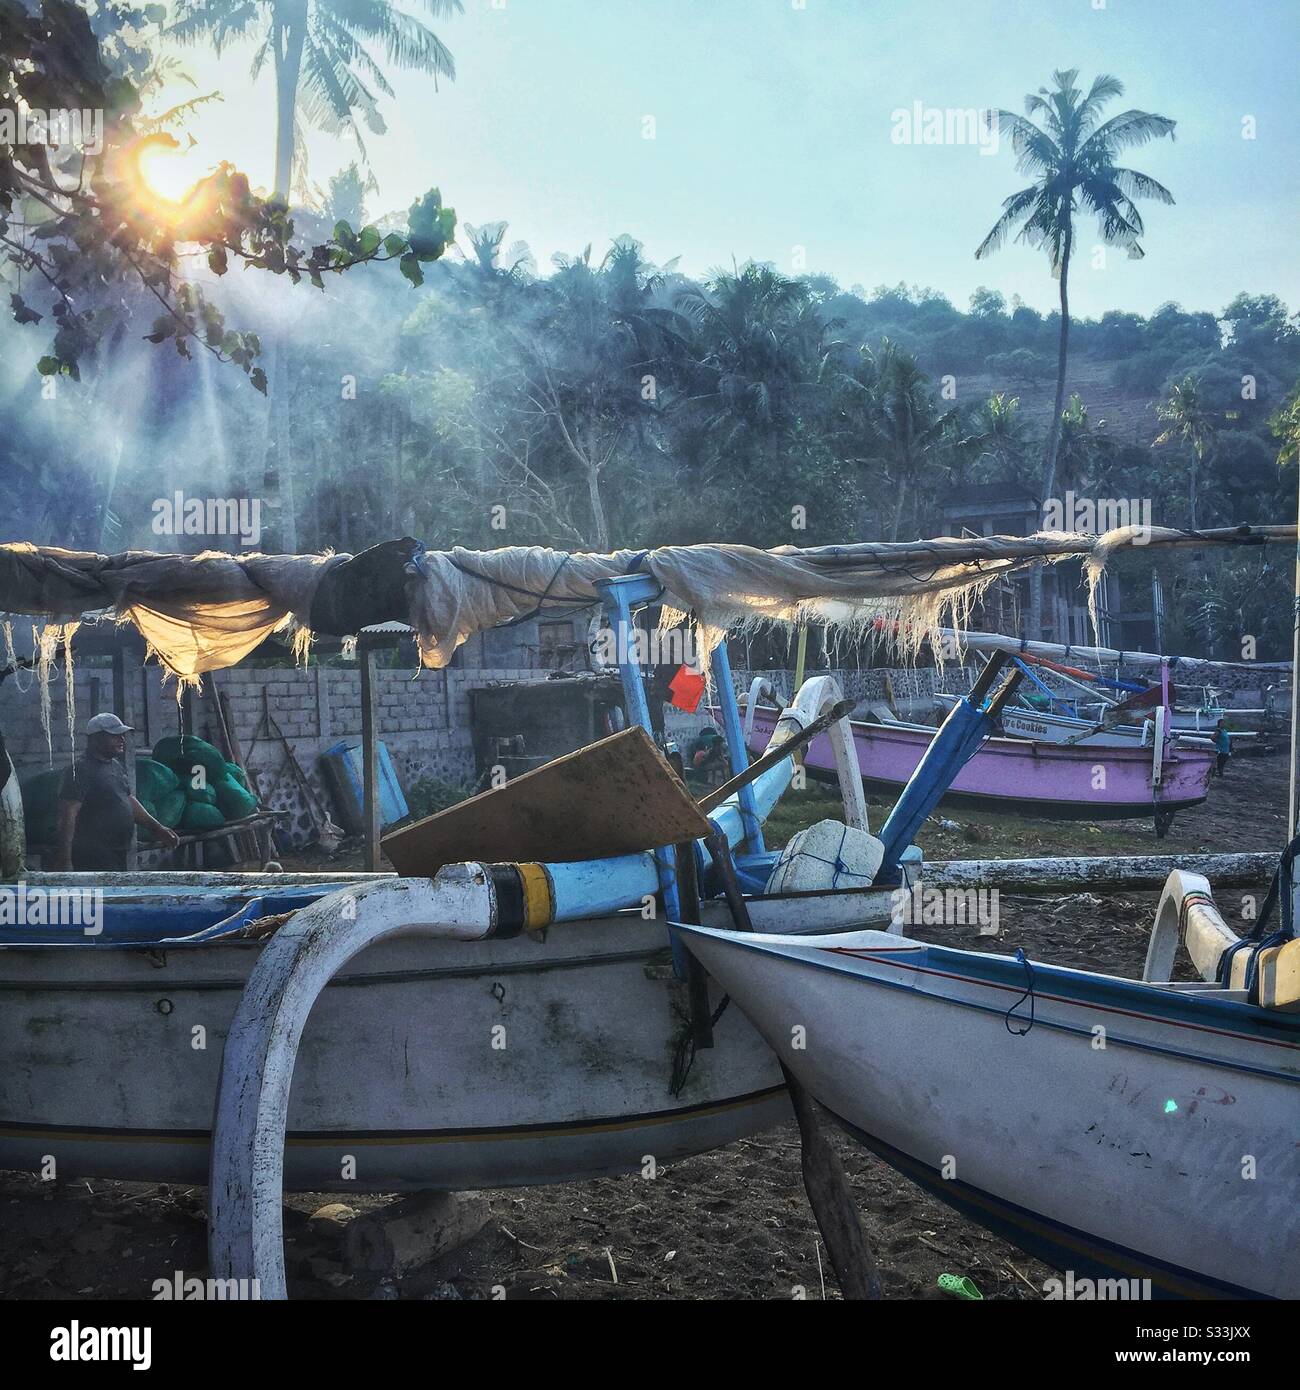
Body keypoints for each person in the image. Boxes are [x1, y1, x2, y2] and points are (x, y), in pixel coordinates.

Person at [55, 713, 180, 871]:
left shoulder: (115, 765)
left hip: (118, 852)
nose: (122, 740)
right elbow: (68, 815)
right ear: (96, 739)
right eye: (114, 736)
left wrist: (157, 828)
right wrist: (64, 859)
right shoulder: (79, 770)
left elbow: (128, 800)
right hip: (92, 855)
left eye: (122, 735)